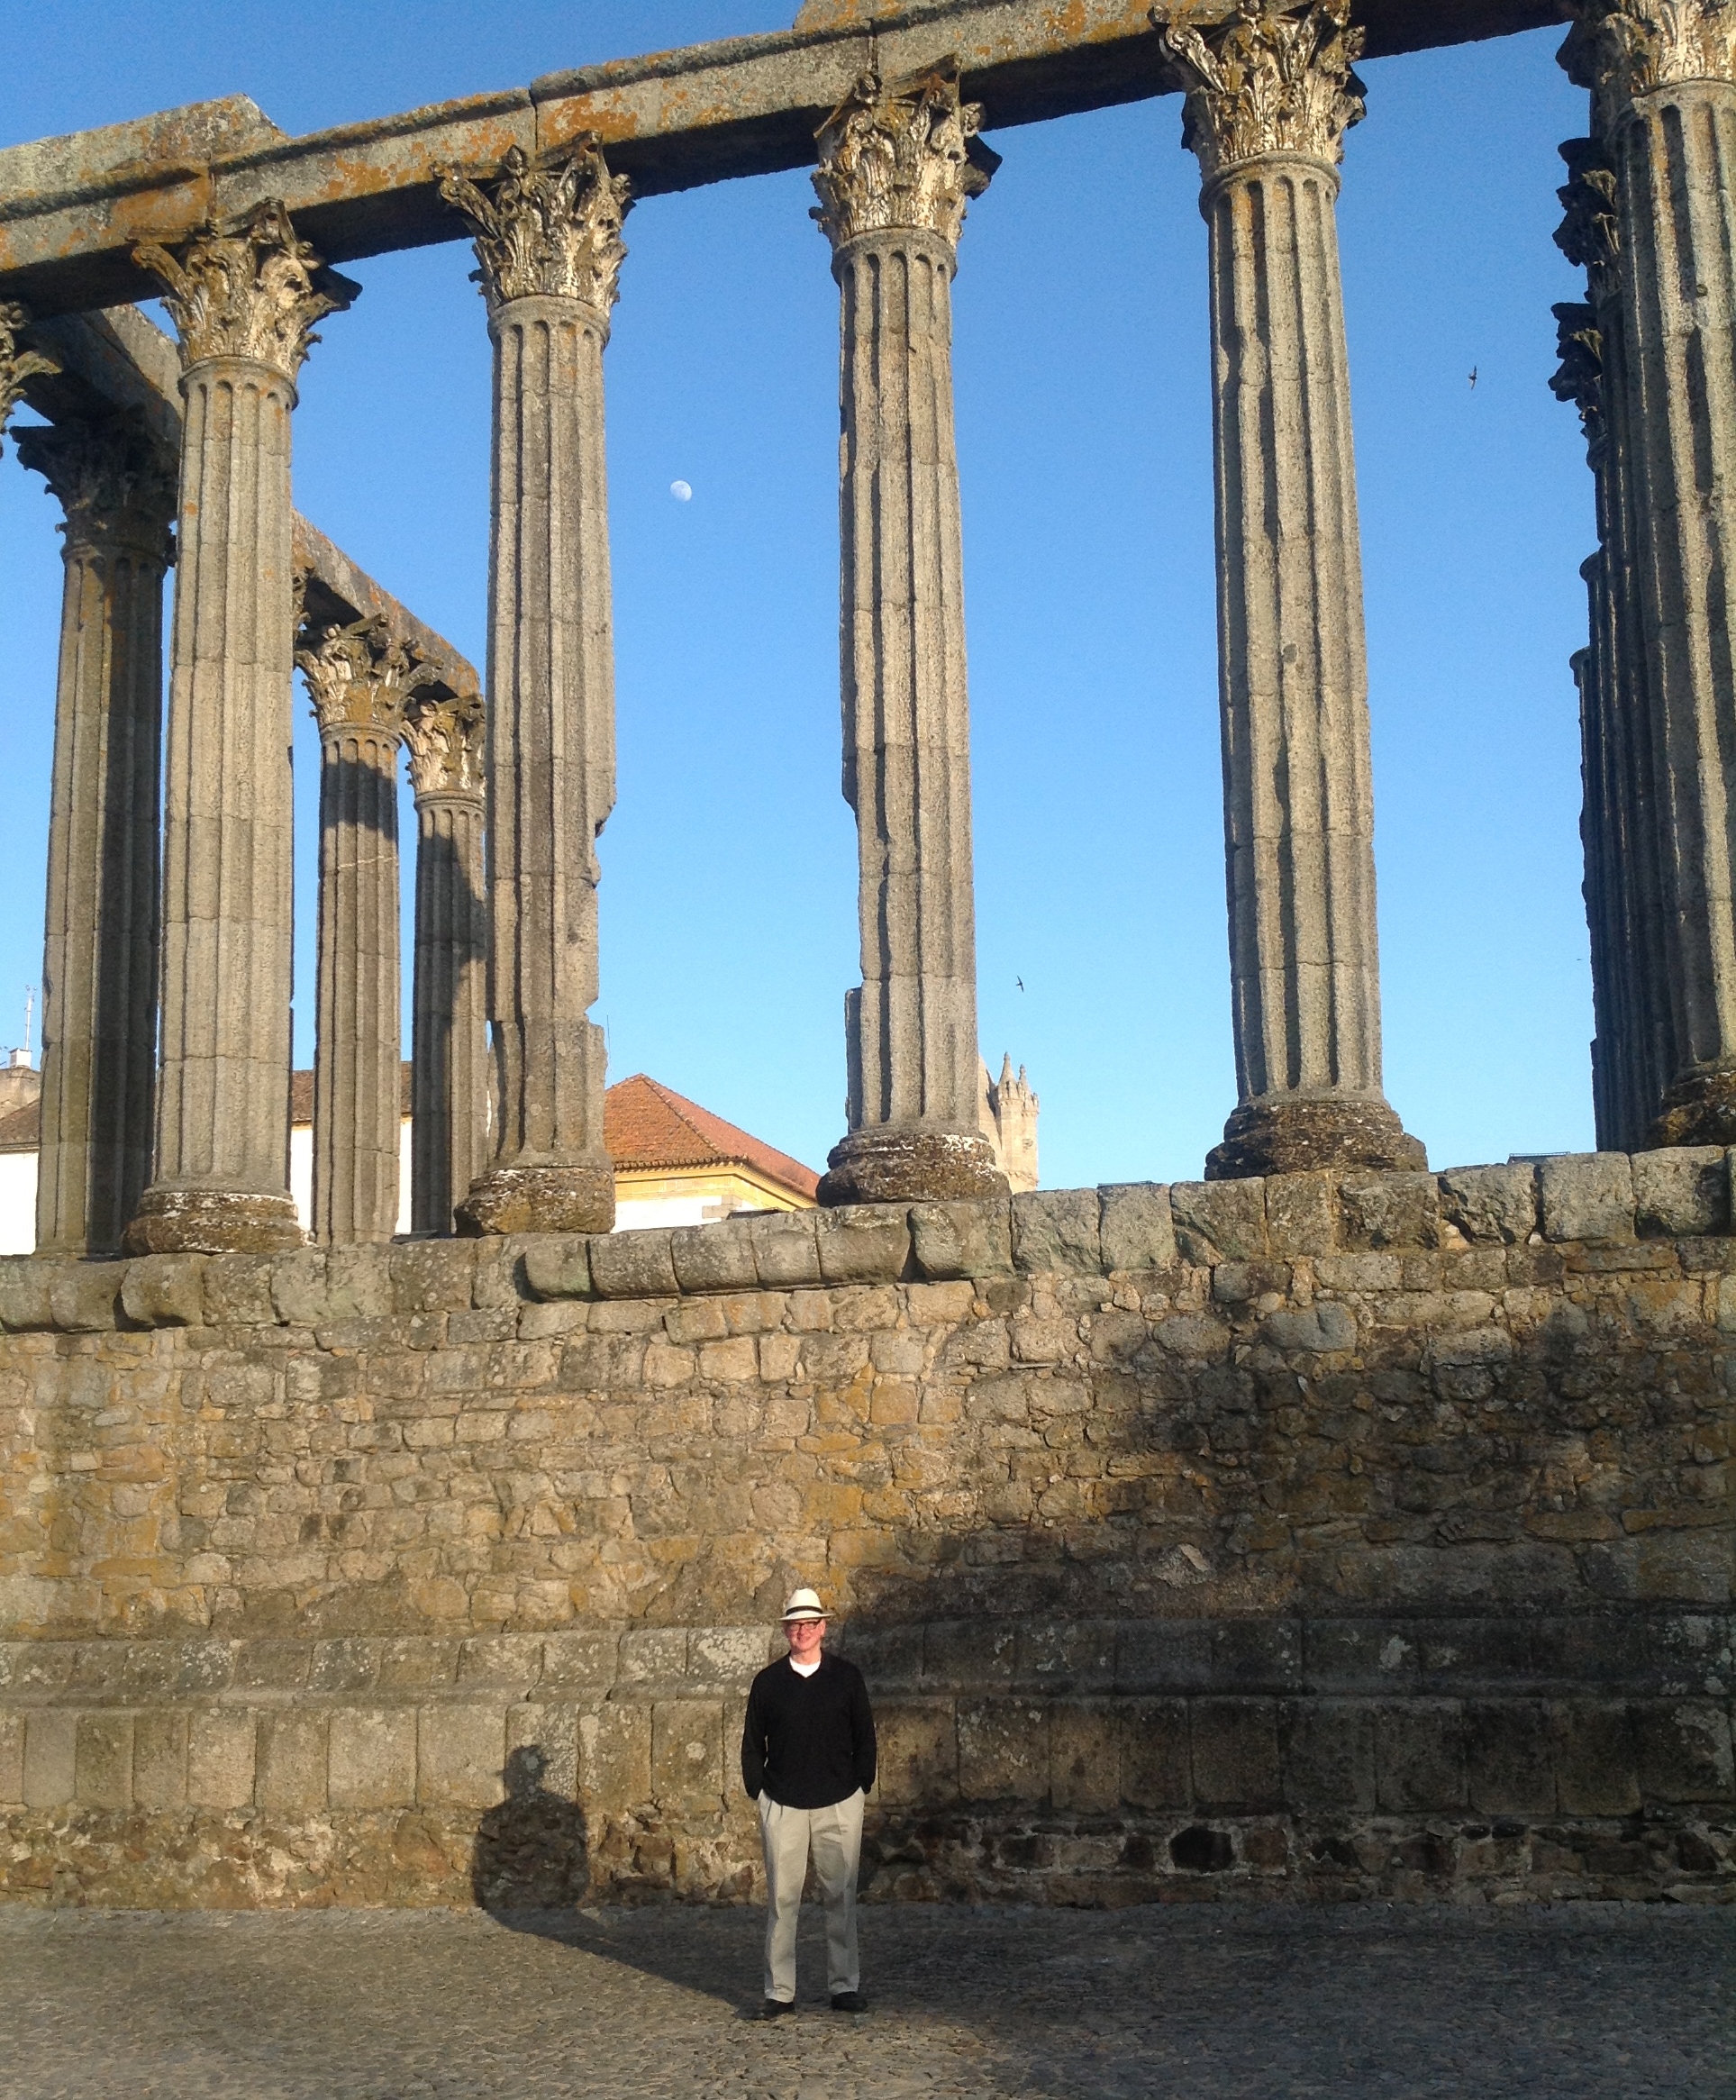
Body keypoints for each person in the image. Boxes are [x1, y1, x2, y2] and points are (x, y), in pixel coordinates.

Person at [740, 1586, 877, 2018]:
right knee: (783, 1900)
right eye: (794, 1624)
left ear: (823, 1628)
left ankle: (844, 1985)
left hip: (839, 1801)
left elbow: (864, 1736)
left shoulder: (847, 1678)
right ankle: (779, 1991)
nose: (802, 1631)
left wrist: (862, 1785)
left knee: (840, 1895)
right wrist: (758, 1790)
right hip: (783, 1803)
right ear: (786, 1631)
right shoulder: (768, 1683)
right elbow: (751, 1742)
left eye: (809, 1623)